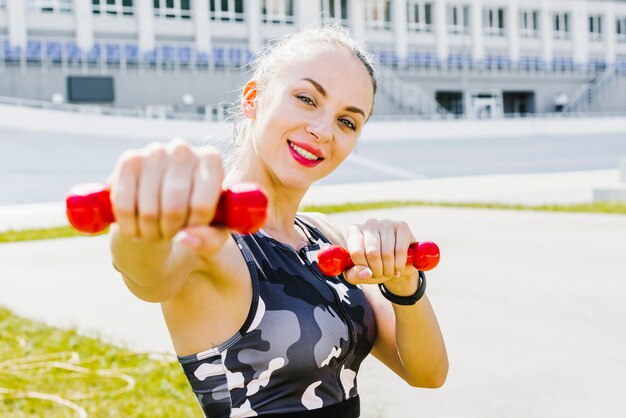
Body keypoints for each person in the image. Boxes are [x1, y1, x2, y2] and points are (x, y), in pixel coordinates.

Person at [107, 25, 448, 417]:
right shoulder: (212, 236)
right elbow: (147, 274)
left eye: (347, 122)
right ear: (253, 99)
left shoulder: (323, 234)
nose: (322, 130)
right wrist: (137, 228)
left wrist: (404, 284)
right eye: (306, 99)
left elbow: (428, 373)